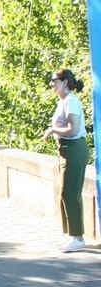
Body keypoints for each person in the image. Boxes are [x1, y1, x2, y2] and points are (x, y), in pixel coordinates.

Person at [43, 69, 89, 253]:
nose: (51, 84)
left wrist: (52, 131)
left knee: (69, 193)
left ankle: (77, 237)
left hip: (75, 149)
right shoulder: (63, 102)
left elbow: (73, 129)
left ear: (64, 82)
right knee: (65, 193)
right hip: (67, 150)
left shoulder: (71, 101)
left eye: (54, 80)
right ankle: (72, 235)